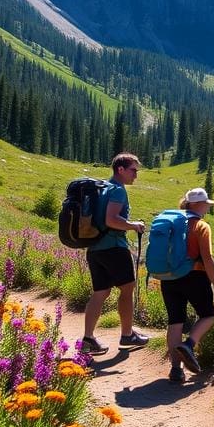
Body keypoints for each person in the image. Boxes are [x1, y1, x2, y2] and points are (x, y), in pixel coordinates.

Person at [81, 152, 149, 356]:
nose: (135, 175)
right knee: (127, 289)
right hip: (113, 247)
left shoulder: (102, 188)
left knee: (100, 293)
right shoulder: (118, 190)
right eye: (133, 170)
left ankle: (88, 339)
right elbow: (111, 220)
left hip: (95, 248)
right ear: (121, 169)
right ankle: (127, 335)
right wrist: (133, 225)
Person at [160, 187, 214, 383]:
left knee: (175, 322)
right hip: (194, 276)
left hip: (169, 278)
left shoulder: (170, 223)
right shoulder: (201, 226)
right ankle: (189, 344)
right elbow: (208, 259)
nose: (207, 207)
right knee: (208, 315)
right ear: (197, 205)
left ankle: (175, 370)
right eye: (206, 204)